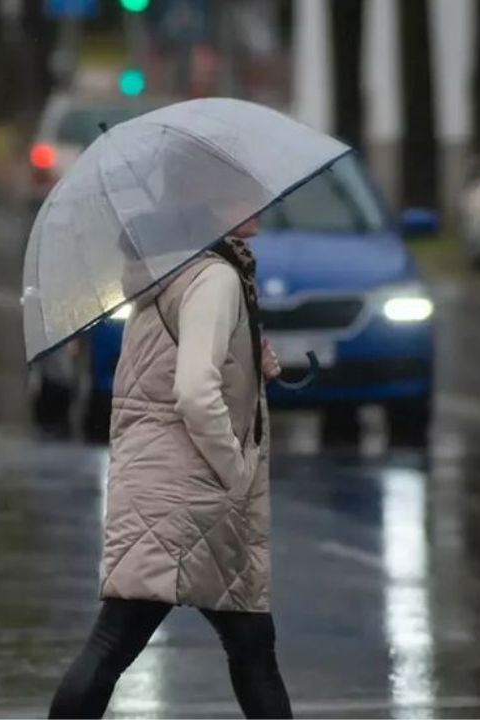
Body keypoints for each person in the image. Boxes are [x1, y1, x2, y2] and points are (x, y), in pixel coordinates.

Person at [48, 214, 292, 719]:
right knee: (118, 640)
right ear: (213, 205)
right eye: (245, 192)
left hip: (165, 479)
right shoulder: (215, 277)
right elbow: (194, 393)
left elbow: (173, 360)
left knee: (250, 644)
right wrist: (235, 469)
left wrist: (250, 360)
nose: (262, 205)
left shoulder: (175, 267)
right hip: (190, 493)